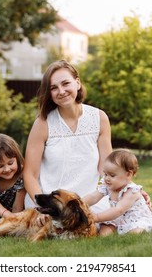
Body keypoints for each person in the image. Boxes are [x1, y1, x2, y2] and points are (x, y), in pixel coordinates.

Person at [23, 60, 113, 218]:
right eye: (54, 88)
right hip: (50, 203)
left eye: (66, 83)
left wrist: (130, 190)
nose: (61, 91)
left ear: (77, 83)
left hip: (90, 202)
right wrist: (44, 207)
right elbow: (30, 174)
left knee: (121, 219)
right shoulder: (42, 124)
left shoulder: (99, 118)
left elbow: (108, 170)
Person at [83, 148, 152, 236]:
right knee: (104, 230)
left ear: (128, 175)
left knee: (135, 231)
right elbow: (93, 197)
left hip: (135, 219)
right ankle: (109, 234)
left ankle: (143, 229)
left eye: (112, 175)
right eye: (105, 174)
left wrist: (97, 217)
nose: (106, 178)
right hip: (118, 218)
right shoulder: (108, 185)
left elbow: (119, 210)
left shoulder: (132, 191)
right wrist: (79, 203)